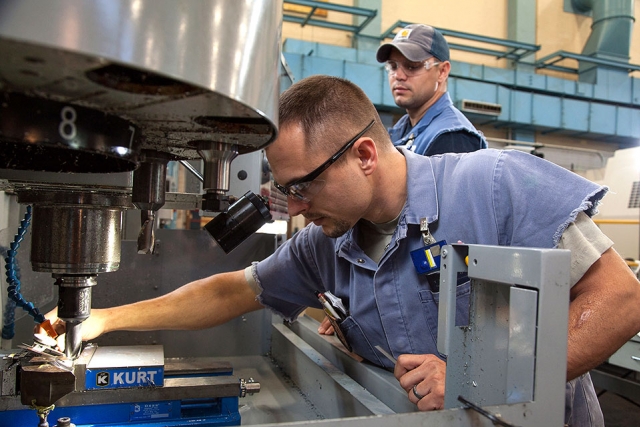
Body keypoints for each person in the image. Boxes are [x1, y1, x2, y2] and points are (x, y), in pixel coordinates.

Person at [45, 75, 640, 426]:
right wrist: (103, 319)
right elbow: (235, 289)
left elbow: (620, 299)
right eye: (286, 190)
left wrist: (481, 374)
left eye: (304, 186)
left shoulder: (497, 184)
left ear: (363, 155)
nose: (296, 207)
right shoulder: (326, 244)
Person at [376, 23, 487, 155]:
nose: (398, 76)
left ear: (442, 71)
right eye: (393, 66)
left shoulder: (452, 138)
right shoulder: (402, 130)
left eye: (412, 66)